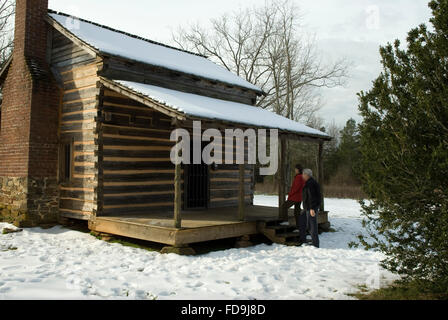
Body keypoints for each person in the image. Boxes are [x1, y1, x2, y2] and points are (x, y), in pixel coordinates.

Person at [299, 168, 322, 248]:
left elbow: (312, 196)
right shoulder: (309, 182)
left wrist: (312, 208)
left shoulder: (311, 183)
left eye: (303, 174)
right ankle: (304, 240)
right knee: (303, 223)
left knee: (312, 226)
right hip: (307, 207)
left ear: (306, 175)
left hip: (311, 208)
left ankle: (315, 244)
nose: (302, 176)